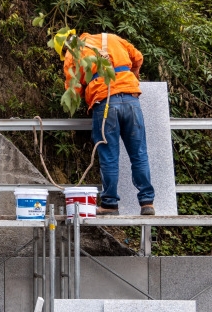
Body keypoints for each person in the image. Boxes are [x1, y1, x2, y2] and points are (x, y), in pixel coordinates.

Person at [65, 32, 156, 216]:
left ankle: (110, 204)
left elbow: (73, 90)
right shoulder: (112, 38)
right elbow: (138, 57)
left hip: (105, 103)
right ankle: (147, 203)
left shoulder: (73, 51)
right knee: (139, 154)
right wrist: (133, 78)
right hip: (131, 101)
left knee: (109, 156)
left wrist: (85, 95)